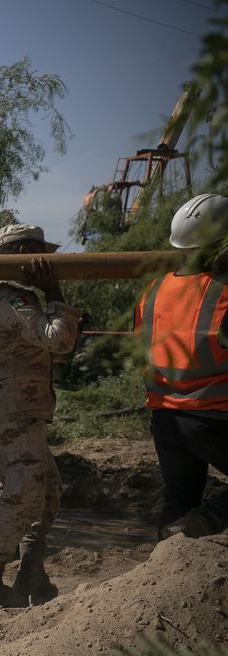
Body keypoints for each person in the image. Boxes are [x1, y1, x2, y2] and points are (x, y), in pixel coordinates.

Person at [0, 224, 81, 611]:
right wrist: (53, 291)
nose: (46, 262)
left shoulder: (13, 296)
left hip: (20, 410)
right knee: (22, 496)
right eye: (38, 253)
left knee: (46, 493)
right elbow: (58, 340)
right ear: (20, 252)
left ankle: (30, 572)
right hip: (13, 412)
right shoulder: (10, 298)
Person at [136, 192, 228, 539]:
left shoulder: (153, 290)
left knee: (178, 501)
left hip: (165, 419)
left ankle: (160, 580)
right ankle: (206, 520)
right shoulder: (224, 292)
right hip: (215, 418)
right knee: (192, 511)